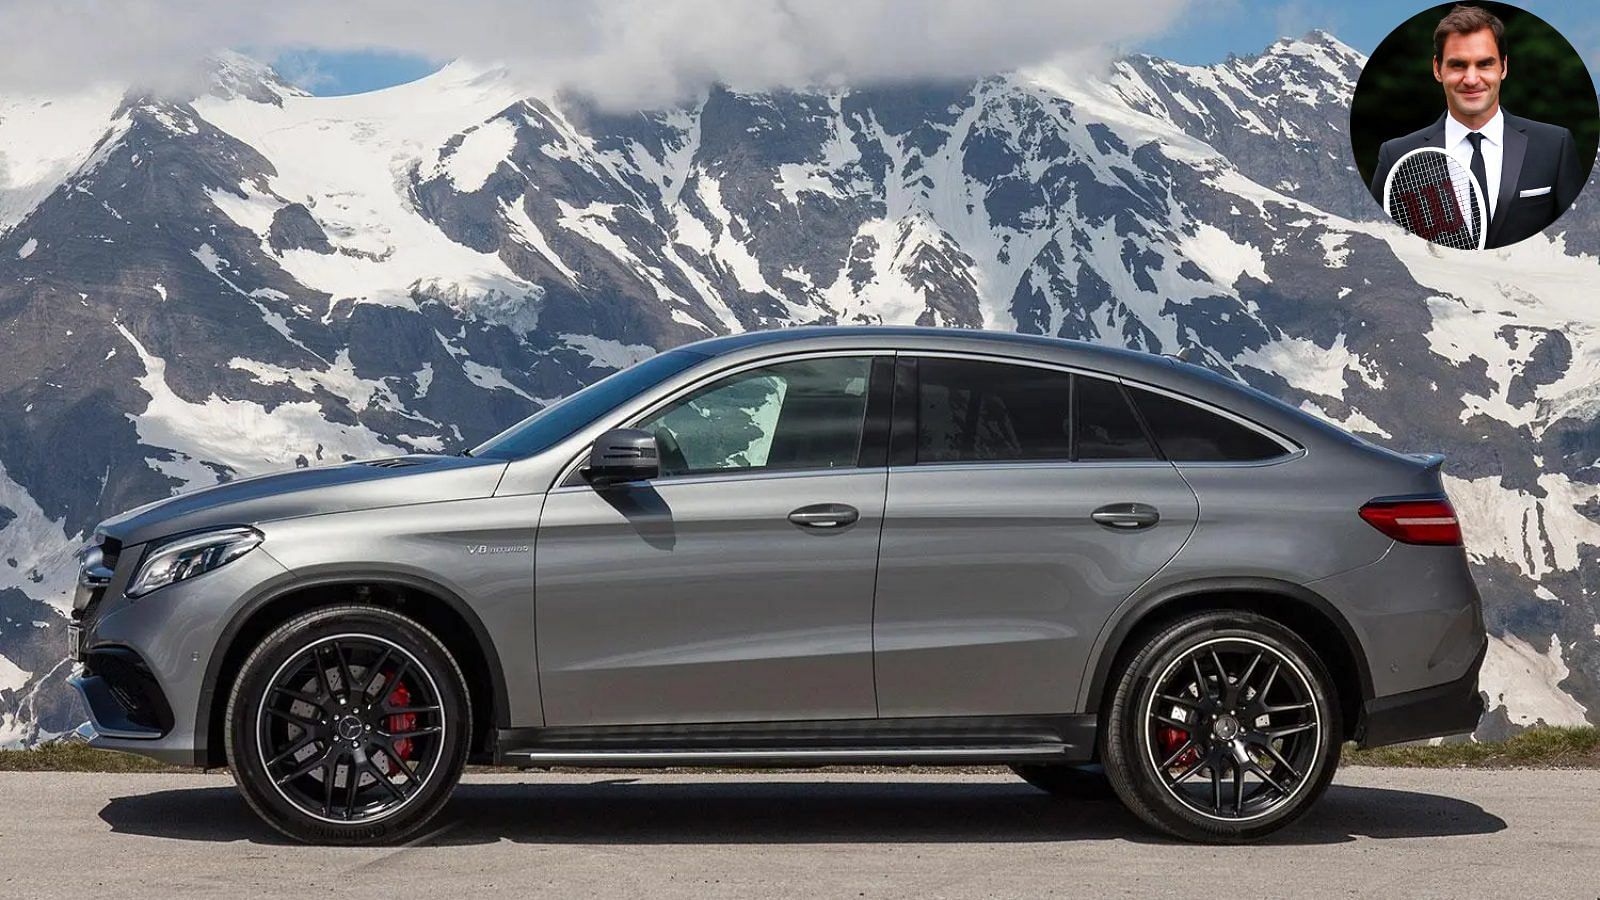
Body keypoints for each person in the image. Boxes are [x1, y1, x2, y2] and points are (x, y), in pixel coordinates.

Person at [1368, 4, 1583, 249]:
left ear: (1503, 67)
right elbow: (1377, 246)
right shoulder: (1396, 157)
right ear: (1437, 69)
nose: (1471, 79)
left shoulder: (1555, 146)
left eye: (1484, 64)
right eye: (1458, 65)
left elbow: (1579, 242)